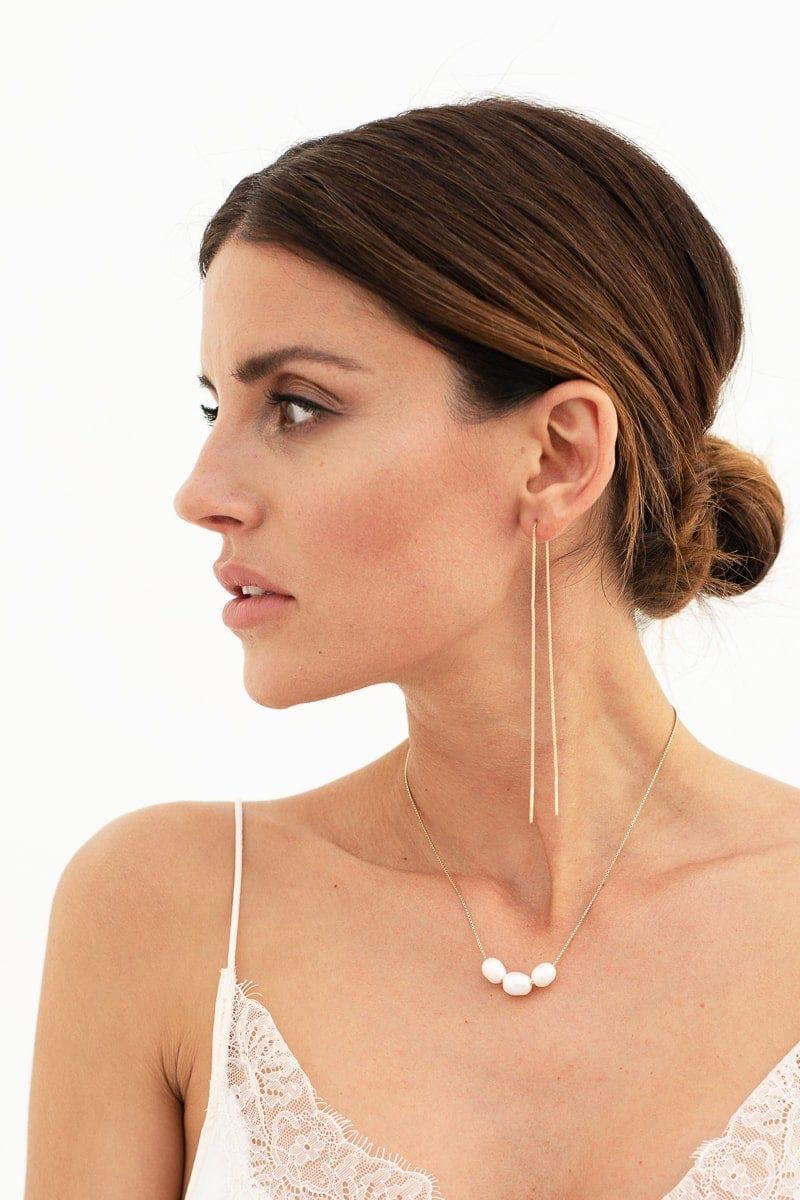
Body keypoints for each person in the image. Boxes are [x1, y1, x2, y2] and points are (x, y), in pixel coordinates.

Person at [25, 96, 799, 1200]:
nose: (202, 493)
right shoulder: (171, 912)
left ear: (556, 456)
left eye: (296, 406)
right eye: (213, 410)